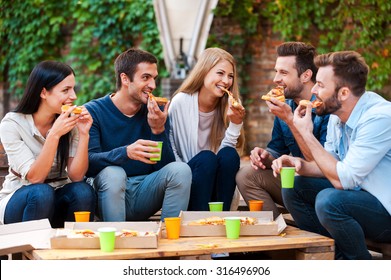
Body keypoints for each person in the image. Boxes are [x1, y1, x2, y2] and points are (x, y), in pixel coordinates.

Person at [272, 51, 391, 259]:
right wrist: (297, 163)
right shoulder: (338, 113)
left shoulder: (379, 118)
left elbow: (342, 180)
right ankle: (333, 258)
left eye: (321, 85)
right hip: (360, 197)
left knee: (330, 200)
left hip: (385, 211)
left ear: (344, 93)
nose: (314, 90)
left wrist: (306, 134)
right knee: (293, 187)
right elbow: (328, 164)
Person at [85, 48, 191, 221]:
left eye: (154, 78)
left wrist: (158, 130)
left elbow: (163, 167)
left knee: (180, 170)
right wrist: (125, 153)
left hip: (144, 191)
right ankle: (116, 239)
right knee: (114, 173)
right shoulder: (93, 111)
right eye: (145, 77)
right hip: (106, 191)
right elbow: (89, 163)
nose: (153, 85)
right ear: (125, 79)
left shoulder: (156, 112)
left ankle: (169, 239)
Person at [236, 42, 329, 218]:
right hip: (293, 180)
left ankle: (312, 227)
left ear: (306, 75)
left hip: (322, 186)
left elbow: (322, 165)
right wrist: (264, 156)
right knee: (246, 174)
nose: (276, 79)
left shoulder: (326, 108)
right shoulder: (286, 105)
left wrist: (290, 120)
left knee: (297, 182)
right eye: (276, 71)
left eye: (284, 73)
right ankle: (276, 230)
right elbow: (277, 150)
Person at [0, 61, 95, 228]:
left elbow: (76, 176)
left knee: (83, 191)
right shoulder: (12, 124)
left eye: (73, 89)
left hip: (56, 198)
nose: (73, 96)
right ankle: (34, 251)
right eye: (65, 90)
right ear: (43, 92)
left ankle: (73, 248)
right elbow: (35, 178)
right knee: (41, 192)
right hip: (20, 201)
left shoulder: (68, 122)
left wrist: (84, 133)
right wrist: (55, 134)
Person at [169, 47, 245, 211]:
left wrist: (236, 124)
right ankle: (199, 217)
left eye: (230, 76)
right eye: (220, 73)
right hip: (190, 181)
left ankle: (222, 216)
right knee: (206, 158)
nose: (226, 81)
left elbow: (226, 160)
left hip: (218, 185)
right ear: (204, 72)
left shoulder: (231, 106)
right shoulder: (180, 102)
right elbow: (171, 146)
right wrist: (179, 180)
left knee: (229, 154)